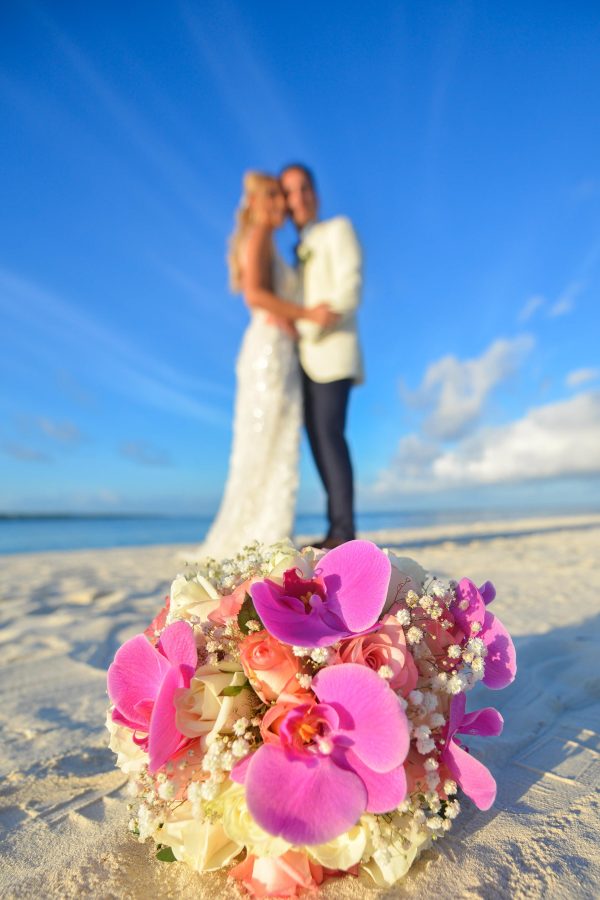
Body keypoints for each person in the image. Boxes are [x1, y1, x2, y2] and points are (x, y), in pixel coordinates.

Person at [198, 171, 337, 560]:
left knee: (276, 442)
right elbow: (255, 294)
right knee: (260, 440)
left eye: (283, 196)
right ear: (257, 202)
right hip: (268, 351)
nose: (282, 204)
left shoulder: (271, 242)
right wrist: (306, 312)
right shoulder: (258, 234)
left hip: (283, 349)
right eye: (274, 196)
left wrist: (292, 319)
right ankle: (255, 536)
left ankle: (270, 531)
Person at [280, 163, 363, 550]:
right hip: (302, 362)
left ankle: (344, 530)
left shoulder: (337, 229)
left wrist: (310, 323)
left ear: (315, 191)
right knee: (316, 440)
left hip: (332, 352)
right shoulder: (296, 252)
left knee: (331, 436)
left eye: (304, 188)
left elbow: (351, 287)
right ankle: (336, 526)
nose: (299, 197)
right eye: (290, 192)